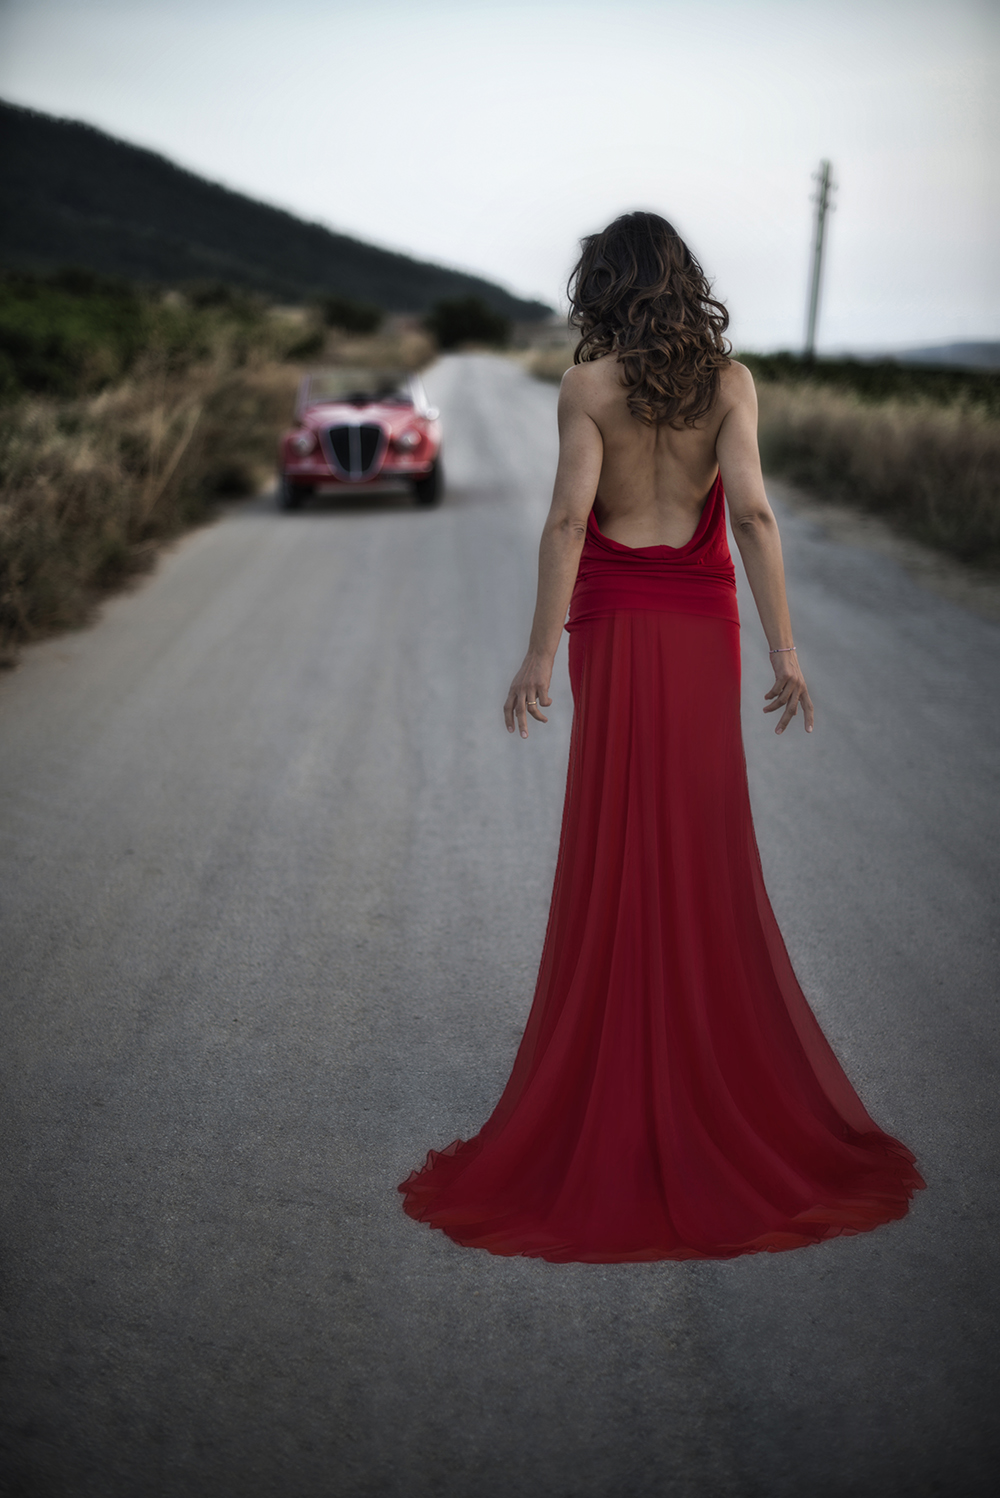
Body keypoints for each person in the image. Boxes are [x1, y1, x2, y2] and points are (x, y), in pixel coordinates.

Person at [399, 212, 924, 1262]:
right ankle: (699, 1065)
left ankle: (619, 1061)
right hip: (699, 628)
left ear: (603, 287)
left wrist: (538, 654)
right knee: (698, 832)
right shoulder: (729, 383)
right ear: (681, 282)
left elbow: (565, 522)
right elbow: (756, 518)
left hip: (608, 624)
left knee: (613, 827)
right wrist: (785, 651)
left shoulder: (585, 387)